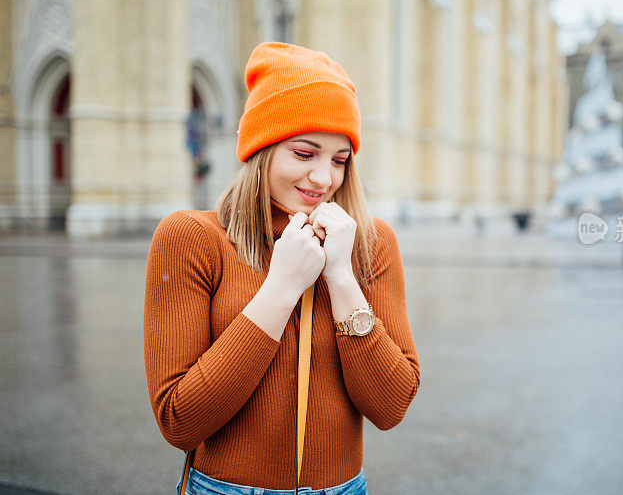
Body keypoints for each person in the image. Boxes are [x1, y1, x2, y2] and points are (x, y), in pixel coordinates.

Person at [143, 42, 421, 495]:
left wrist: (342, 279)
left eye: (339, 160)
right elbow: (180, 419)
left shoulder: (372, 243)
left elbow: (391, 406)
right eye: (304, 153)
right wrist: (282, 285)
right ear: (262, 149)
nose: (324, 179)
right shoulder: (191, 238)